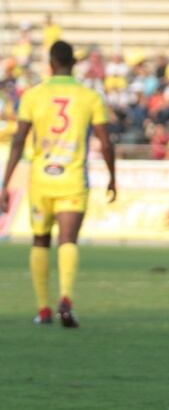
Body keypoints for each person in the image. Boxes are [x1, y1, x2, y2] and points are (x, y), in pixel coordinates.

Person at [0, 40, 117, 327]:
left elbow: (18, 141)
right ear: (73, 64)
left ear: (50, 64)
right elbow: (105, 142)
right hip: (73, 178)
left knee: (40, 239)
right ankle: (65, 298)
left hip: (41, 179)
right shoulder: (89, 96)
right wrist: (114, 176)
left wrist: (5, 183)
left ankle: (42, 309)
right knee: (68, 240)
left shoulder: (33, 95)